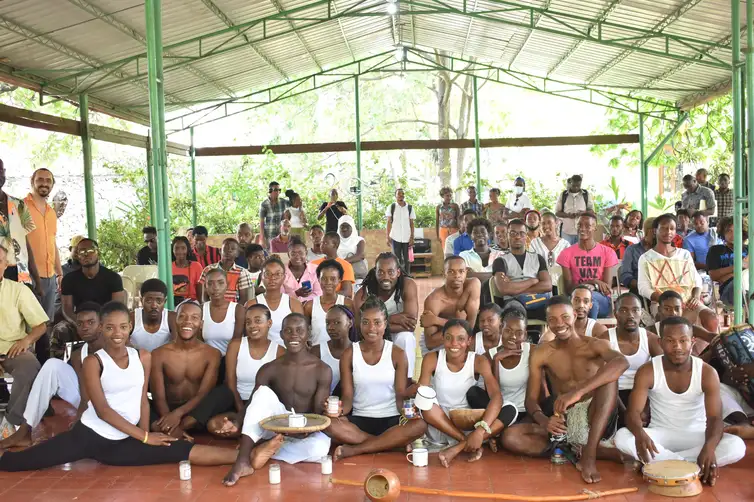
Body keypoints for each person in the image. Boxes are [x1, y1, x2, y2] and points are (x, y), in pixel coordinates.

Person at [0, 301, 241, 473]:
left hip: (127, 440)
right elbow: (103, 411)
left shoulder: (143, 357)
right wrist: (145, 437)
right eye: (110, 327)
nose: (117, 333)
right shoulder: (93, 362)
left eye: (123, 327)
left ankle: (247, 456)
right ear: (102, 329)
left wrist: (145, 435)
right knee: (19, 462)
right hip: (91, 436)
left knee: (181, 451)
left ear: (129, 328)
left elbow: (141, 399)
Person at [614, 316, 746, 485]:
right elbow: (633, 412)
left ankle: (664, 465)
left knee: (736, 446)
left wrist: (709, 448)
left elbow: (715, 418)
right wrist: (640, 435)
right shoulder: (648, 371)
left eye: (683, 341)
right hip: (660, 435)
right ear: (661, 342)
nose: (677, 347)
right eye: (670, 341)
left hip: (696, 435)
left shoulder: (707, 373)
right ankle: (691, 467)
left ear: (692, 341)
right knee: (623, 437)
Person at [514, 296, 628, 484]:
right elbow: (531, 400)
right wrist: (544, 422)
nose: (560, 324)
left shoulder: (595, 344)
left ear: (575, 316)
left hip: (598, 417)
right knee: (512, 437)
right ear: (547, 322)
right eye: (553, 319)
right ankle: (579, 449)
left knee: (609, 379)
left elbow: (622, 362)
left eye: (565, 317)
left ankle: (589, 455)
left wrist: (578, 392)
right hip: (567, 419)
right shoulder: (542, 353)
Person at [222, 313, 332, 486]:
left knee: (320, 448)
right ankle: (242, 461)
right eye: (288, 331)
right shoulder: (270, 369)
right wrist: (237, 421)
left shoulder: (322, 369)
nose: (294, 335)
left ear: (308, 333)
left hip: (305, 426)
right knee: (262, 393)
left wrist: (307, 430)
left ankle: (261, 450)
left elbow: (318, 411)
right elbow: (254, 403)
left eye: (299, 330)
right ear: (281, 334)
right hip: (277, 425)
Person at [325, 297, 427, 462]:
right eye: (366, 322)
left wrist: (410, 412)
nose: (371, 328)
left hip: (391, 419)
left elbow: (400, 397)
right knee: (329, 423)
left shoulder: (397, 354)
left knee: (420, 425)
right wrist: (339, 410)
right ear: (359, 324)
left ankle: (357, 449)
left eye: (377, 322)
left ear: (385, 324)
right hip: (359, 420)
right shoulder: (350, 354)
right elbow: (348, 398)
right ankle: (389, 444)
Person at [0, 302, 103, 448]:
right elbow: (84, 394)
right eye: (80, 323)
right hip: (89, 403)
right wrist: (81, 419)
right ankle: (24, 431)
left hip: (114, 405)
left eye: (91, 322)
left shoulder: (115, 348)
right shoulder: (77, 354)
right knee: (52, 365)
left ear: (101, 325)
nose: (85, 327)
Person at [418, 319, 506, 467]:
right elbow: (422, 394)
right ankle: (465, 442)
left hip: (468, 422)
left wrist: (480, 429)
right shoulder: (432, 358)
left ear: (469, 341)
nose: (454, 344)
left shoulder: (478, 361)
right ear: (442, 338)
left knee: (508, 410)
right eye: (448, 338)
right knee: (426, 405)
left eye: (461, 339)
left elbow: (496, 396)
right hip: (440, 423)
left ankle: (468, 441)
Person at [205, 303, 285, 439]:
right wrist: (241, 411)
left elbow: (275, 389)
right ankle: (243, 429)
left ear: (269, 323)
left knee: (248, 427)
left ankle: (246, 432)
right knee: (213, 425)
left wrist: (250, 413)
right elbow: (231, 381)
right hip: (237, 401)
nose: (252, 325)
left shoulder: (280, 351)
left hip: (262, 406)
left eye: (258, 321)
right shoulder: (236, 345)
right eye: (248, 322)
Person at [149, 300, 227, 439]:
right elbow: (158, 396)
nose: (187, 321)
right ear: (175, 321)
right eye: (182, 316)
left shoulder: (212, 354)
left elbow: (203, 393)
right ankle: (169, 427)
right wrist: (169, 417)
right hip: (167, 410)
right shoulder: (158, 354)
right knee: (141, 402)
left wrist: (177, 417)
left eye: (194, 318)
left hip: (195, 413)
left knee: (224, 393)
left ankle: (176, 429)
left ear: (201, 324)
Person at [637, 213, 717, 334]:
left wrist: (695, 297)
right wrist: (667, 301)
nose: (668, 232)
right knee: (673, 323)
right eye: (663, 228)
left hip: (689, 302)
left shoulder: (684, 254)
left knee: (711, 318)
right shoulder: (646, 258)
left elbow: (697, 280)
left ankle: (705, 351)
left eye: (672, 228)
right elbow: (643, 288)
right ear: (655, 230)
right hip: (663, 304)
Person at [0, 244, 46, 438]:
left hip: (11, 348)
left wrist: (26, 341)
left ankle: (10, 423)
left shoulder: (18, 290)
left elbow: (40, 325)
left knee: (29, 368)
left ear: (5, 264)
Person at [354, 252, 419, 377]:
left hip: (394, 333)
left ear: (398, 272)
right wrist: (392, 319)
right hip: (374, 336)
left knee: (406, 338)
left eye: (391, 272)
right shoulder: (364, 293)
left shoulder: (407, 285)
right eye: (381, 272)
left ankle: (407, 380)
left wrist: (376, 324)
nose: (385, 277)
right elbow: (360, 327)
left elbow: (411, 325)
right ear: (375, 272)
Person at [595, 293, 662, 413]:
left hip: (644, 392)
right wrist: (624, 412)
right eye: (624, 310)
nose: (630, 315)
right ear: (616, 313)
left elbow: (663, 373)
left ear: (641, 313)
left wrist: (646, 408)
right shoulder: (606, 339)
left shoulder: (650, 339)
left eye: (635, 310)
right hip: (613, 394)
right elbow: (599, 377)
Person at [484, 219, 551, 319]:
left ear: (526, 236)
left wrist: (516, 290)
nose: (517, 237)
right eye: (513, 233)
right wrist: (533, 281)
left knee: (557, 306)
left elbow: (547, 285)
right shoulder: (500, 261)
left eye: (522, 233)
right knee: (515, 311)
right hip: (513, 303)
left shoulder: (538, 258)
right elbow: (504, 289)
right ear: (507, 235)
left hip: (538, 300)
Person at [557, 213, 619, 319]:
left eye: (587, 226)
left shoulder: (607, 252)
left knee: (590, 300)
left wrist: (591, 288)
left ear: (595, 227)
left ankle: (587, 332)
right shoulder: (566, 253)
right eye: (579, 225)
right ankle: (589, 332)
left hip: (601, 300)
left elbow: (606, 288)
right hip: (575, 299)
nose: (582, 228)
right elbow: (568, 289)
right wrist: (593, 282)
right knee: (583, 299)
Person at [24, 167, 62, 322]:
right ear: (32, 182)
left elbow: (52, 243)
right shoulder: (21, 207)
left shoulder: (51, 212)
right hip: (28, 276)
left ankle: (44, 348)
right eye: (40, 179)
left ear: (52, 185)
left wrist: (59, 274)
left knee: (46, 323)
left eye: (48, 180)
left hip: (50, 277)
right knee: (30, 324)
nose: (44, 183)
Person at [421, 256, 481, 353]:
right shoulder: (434, 300)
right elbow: (430, 343)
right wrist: (460, 322)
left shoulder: (473, 285)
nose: (457, 275)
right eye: (451, 271)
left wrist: (438, 320)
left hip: (463, 338)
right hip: (441, 341)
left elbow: (469, 328)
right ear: (443, 274)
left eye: (461, 271)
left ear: (466, 272)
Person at [61, 238, 125, 325]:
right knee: (60, 330)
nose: (86, 254)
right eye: (82, 252)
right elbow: (67, 309)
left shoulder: (113, 278)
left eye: (91, 250)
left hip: (105, 321)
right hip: (80, 321)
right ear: (77, 256)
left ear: (98, 253)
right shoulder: (69, 279)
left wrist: (101, 324)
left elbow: (117, 307)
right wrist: (79, 324)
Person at [0, 160, 41, 290]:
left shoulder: (19, 205)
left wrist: (38, 281)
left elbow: (26, 245)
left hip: (20, 274)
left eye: (0, 170)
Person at [245, 256, 304, 344]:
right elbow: (248, 335)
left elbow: (300, 334)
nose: (272, 278)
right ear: (262, 277)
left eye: (277, 274)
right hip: (260, 353)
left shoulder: (294, 304)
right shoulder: (251, 304)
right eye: (268, 274)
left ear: (284, 277)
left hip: (287, 353)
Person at [304, 259, 354, 345]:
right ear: (318, 279)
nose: (328, 283)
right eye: (324, 279)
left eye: (333, 279)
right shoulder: (309, 306)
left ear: (339, 280)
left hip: (342, 355)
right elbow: (304, 333)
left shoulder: (348, 304)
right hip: (317, 355)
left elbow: (354, 331)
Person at [312, 305, 356, 394]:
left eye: (337, 322)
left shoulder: (358, 351)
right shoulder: (317, 351)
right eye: (328, 323)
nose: (331, 327)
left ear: (350, 323)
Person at [198, 238, 255, 305]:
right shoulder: (208, 269)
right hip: (211, 308)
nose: (229, 251)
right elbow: (203, 296)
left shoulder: (242, 272)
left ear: (237, 254)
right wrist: (208, 308)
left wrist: (232, 310)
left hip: (233, 309)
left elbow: (243, 299)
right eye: (226, 248)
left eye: (233, 249)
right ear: (220, 251)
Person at [540, 286, 608, 342]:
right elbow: (544, 342)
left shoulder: (598, 329)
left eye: (586, 301)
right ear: (570, 302)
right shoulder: (560, 324)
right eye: (576, 300)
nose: (581, 305)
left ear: (590, 305)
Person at [707, 216, 748, 306]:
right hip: (727, 291)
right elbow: (713, 275)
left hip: (748, 287)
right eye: (729, 231)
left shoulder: (749, 250)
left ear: (743, 233)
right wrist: (738, 267)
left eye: (737, 230)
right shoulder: (715, 250)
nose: (733, 235)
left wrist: (729, 275)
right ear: (723, 233)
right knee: (737, 283)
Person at [202, 268, 244, 356]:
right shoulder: (201, 310)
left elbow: (237, 342)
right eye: (210, 283)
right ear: (205, 287)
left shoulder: (238, 310)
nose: (216, 287)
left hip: (231, 359)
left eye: (220, 283)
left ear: (227, 285)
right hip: (206, 359)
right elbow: (198, 343)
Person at [129, 279, 176, 352]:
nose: (154, 306)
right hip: (137, 361)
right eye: (149, 301)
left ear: (165, 301)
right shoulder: (132, 318)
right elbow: (123, 346)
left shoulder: (171, 318)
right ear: (142, 301)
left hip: (164, 360)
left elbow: (176, 347)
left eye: (159, 301)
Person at [528, 211, 569, 293]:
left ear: (556, 223)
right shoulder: (535, 243)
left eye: (549, 222)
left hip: (560, 286)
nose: (546, 226)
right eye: (543, 223)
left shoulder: (565, 245)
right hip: (541, 286)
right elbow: (531, 266)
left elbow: (568, 270)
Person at [311, 232, 355, 298]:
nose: (321, 245)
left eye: (325, 243)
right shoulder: (313, 264)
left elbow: (347, 292)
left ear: (335, 245)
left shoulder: (346, 265)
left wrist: (326, 297)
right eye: (321, 242)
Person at [459, 217, 504, 282]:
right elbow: (464, 276)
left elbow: (504, 276)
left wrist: (473, 274)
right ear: (470, 236)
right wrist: (495, 275)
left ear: (489, 234)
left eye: (483, 232)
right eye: (475, 232)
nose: (479, 234)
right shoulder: (464, 255)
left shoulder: (500, 254)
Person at [620, 217, 655, 296]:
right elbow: (625, 276)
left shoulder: (662, 251)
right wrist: (644, 287)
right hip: (638, 290)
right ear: (650, 231)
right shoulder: (632, 250)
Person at [555, 174, 594, 245]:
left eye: (578, 186)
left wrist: (583, 213)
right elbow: (557, 213)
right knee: (566, 253)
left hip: (582, 231)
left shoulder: (586, 195)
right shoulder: (564, 195)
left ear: (581, 184)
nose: (576, 188)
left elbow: (592, 211)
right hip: (566, 232)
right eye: (574, 185)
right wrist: (567, 215)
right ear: (570, 183)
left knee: (580, 253)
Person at [282, 236, 322, 303]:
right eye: (293, 253)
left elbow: (318, 293)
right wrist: (296, 294)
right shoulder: (281, 271)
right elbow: (280, 296)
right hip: (287, 308)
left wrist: (304, 302)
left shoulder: (315, 269)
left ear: (306, 253)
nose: (297, 256)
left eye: (300, 253)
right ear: (288, 255)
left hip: (309, 308)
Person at [385, 188, 416, 274]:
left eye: (402, 194)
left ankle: (407, 276)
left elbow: (412, 223)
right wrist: (387, 237)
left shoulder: (409, 208)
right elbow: (388, 222)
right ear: (395, 196)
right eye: (399, 194)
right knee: (396, 258)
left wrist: (412, 237)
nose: (401, 195)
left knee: (407, 259)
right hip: (395, 237)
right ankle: (398, 276)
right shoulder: (392, 207)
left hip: (407, 237)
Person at [171, 236, 203, 303]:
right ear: (172, 250)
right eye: (176, 248)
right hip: (173, 303)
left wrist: (201, 306)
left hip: (192, 302)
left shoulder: (196, 266)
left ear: (187, 249)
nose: (180, 251)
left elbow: (200, 292)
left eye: (183, 248)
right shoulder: (168, 267)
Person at [259, 181, 290, 250]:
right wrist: (262, 238)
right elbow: (261, 222)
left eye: (279, 190)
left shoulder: (283, 202)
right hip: (269, 235)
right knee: (270, 255)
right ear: (270, 191)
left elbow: (295, 204)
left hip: (281, 235)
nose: (278, 192)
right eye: (275, 190)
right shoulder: (264, 204)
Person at [337, 215, 368, 283]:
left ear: (352, 227)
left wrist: (339, 263)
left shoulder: (359, 240)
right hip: (339, 275)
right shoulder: (335, 241)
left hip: (356, 275)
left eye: (347, 226)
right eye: (342, 226)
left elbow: (359, 256)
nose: (344, 229)